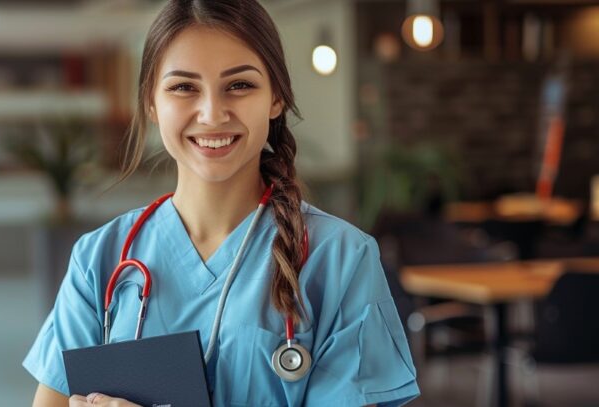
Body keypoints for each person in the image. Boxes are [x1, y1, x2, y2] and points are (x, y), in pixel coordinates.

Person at [24, 1, 420, 406]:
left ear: (276, 99)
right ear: (150, 103)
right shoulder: (99, 261)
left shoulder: (341, 260)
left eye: (239, 85)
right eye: (183, 87)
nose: (212, 114)